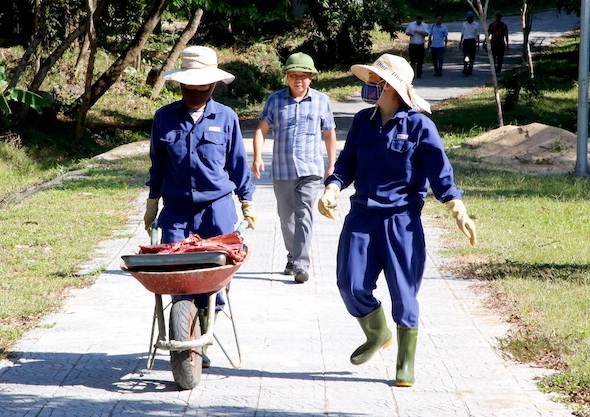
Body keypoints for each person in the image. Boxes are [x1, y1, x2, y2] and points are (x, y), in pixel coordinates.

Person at [317, 54, 477, 387]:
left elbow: (440, 174)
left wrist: (456, 208)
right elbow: (346, 163)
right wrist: (332, 187)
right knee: (350, 284)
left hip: (401, 220)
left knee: (404, 293)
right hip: (361, 216)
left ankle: (405, 363)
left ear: (391, 87)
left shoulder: (419, 126)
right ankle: (377, 333)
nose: (369, 86)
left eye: (375, 81)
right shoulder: (362, 121)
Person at [143, 45, 257, 367]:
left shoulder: (226, 118)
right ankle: (187, 331)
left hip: (217, 210)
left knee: (214, 280)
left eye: (202, 87)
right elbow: (157, 165)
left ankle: (205, 334)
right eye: (189, 87)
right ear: (180, 85)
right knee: (178, 277)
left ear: (213, 86)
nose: (195, 92)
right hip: (176, 211)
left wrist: (247, 203)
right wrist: (152, 205)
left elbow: (238, 166)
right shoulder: (164, 118)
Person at [252, 52, 337, 284]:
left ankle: (301, 264)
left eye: (304, 76)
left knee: (304, 216)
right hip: (282, 169)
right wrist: (257, 157)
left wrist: (331, 165)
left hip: (310, 170)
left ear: (311, 78)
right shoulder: (275, 100)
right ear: (287, 77)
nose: (299, 80)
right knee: (286, 218)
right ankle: (292, 256)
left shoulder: (322, 101)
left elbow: (329, 133)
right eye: (293, 76)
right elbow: (261, 130)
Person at [459, 11, 480, 75]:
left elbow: (477, 34)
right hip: (466, 41)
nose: (469, 19)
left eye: (470, 18)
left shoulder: (476, 24)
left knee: (472, 56)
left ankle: (470, 69)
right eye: (468, 18)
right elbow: (462, 33)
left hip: (472, 41)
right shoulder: (464, 24)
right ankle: (465, 67)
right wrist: (460, 42)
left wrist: (478, 43)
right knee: (466, 55)